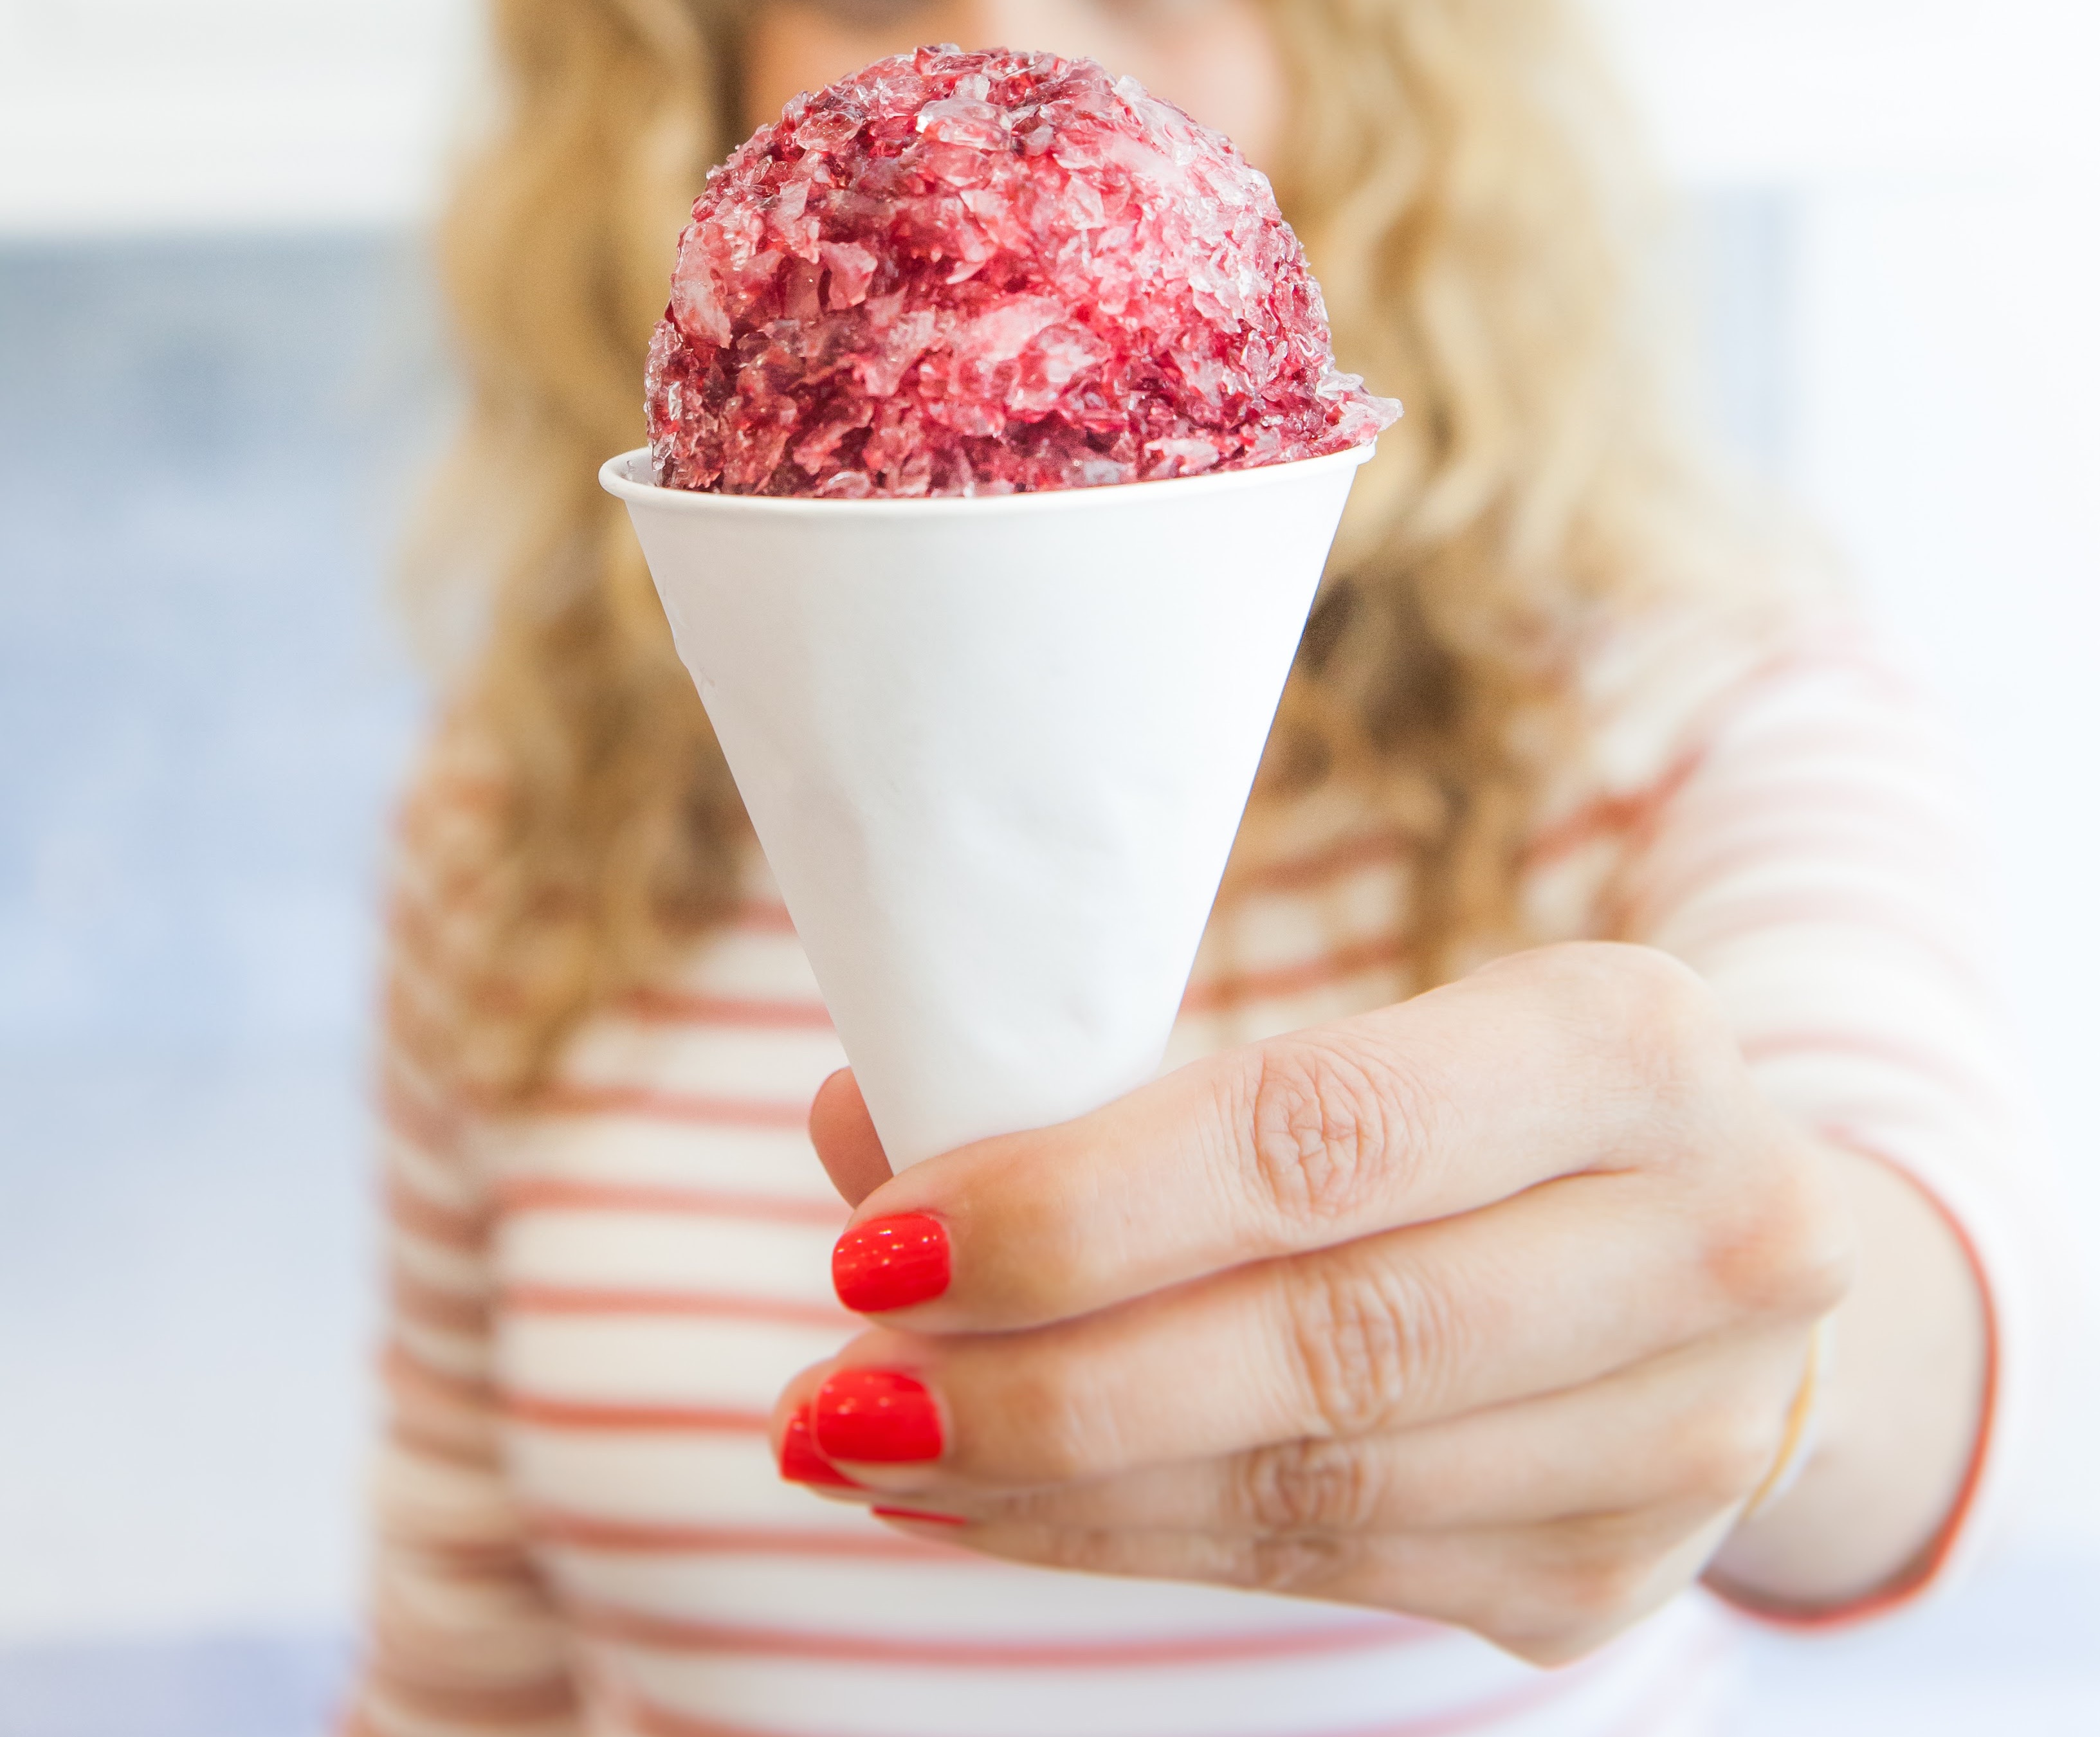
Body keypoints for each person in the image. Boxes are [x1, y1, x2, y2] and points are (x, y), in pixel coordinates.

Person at [349, 3, 2046, 1733]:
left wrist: (1777, 1361)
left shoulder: (1686, 702)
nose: (1014, 58)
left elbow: (1928, 1320)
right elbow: (458, 1668)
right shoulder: (523, 814)